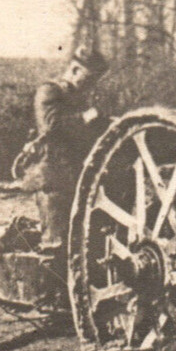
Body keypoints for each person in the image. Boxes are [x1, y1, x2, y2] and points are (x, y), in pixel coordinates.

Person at [29, 46, 109, 251]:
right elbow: (51, 125)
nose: (91, 86)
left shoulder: (79, 98)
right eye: (89, 79)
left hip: (78, 178)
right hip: (55, 180)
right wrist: (85, 117)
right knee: (56, 245)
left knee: (84, 246)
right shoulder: (49, 91)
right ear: (74, 70)